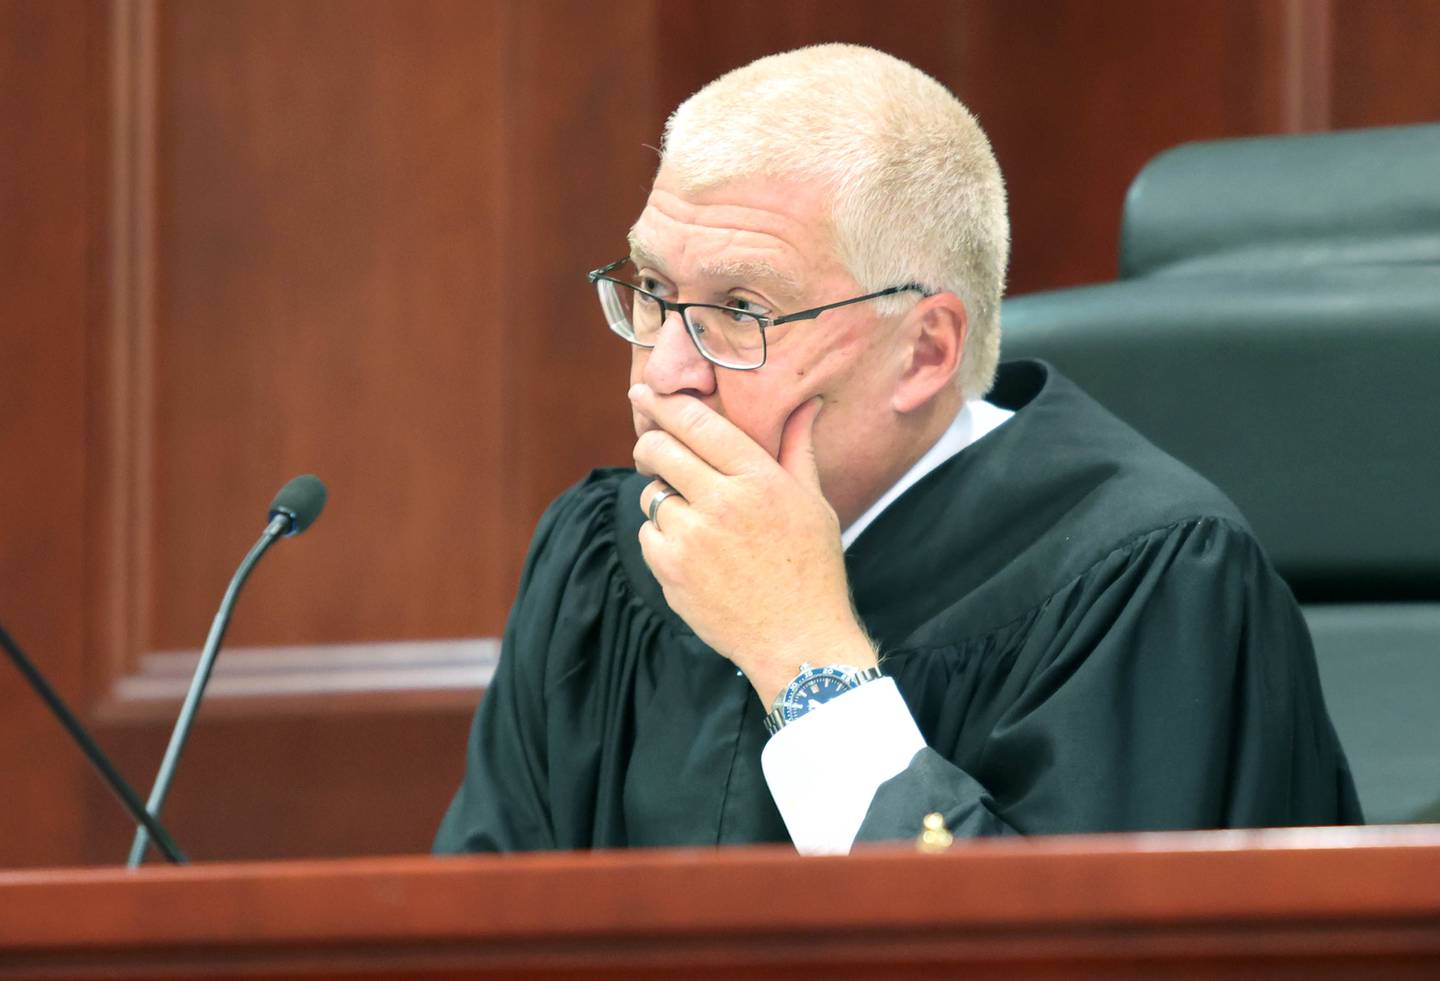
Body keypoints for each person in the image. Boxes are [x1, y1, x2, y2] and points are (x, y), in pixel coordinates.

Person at [434, 44, 1360, 856]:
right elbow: (475, 937)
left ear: (925, 351)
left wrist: (804, 659)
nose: (666, 371)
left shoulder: (1148, 584)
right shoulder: (603, 558)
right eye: (654, 291)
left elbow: (1065, 956)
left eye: (742, 311)